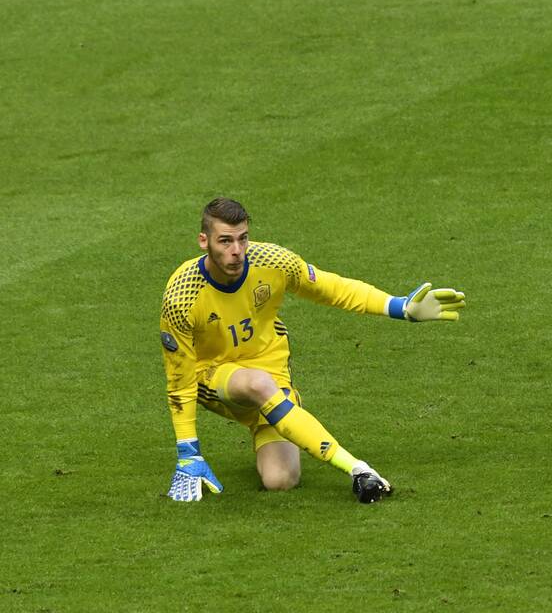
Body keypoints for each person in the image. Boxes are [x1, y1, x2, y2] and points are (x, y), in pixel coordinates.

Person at [159, 197, 465, 503]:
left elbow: (331, 288)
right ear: (204, 241)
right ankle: (357, 468)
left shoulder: (273, 262)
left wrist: (399, 307)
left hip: (270, 370)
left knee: (281, 480)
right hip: (212, 376)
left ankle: (267, 421)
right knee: (256, 383)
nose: (236, 251)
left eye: (242, 239)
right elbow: (179, 380)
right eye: (225, 241)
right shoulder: (182, 296)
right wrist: (188, 452)